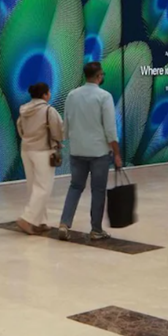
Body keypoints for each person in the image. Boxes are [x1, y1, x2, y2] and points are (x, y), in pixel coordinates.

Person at [59, 62, 122, 241]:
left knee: (75, 186)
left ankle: (64, 223)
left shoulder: (72, 95)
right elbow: (110, 129)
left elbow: (67, 123)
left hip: (77, 149)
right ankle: (96, 229)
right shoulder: (104, 97)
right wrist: (116, 153)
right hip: (98, 151)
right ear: (99, 76)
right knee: (98, 190)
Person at [16, 82, 64, 235]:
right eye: (48, 92)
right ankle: (27, 218)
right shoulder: (49, 111)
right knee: (44, 187)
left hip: (26, 150)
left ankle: (40, 221)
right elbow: (59, 131)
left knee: (33, 185)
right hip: (43, 151)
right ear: (45, 95)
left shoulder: (24, 110)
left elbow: (20, 127)